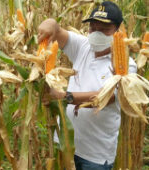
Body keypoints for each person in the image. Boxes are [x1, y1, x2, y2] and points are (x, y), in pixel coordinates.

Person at [38, 1, 136, 170]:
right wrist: (50, 23)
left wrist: (64, 97)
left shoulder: (128, 65)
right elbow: (57, 30)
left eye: (104, 29)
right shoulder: (84, 46)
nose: (97, 34)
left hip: (95, 156)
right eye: (93, 28)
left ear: (118, 31)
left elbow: (108, 97)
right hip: (66, 143)